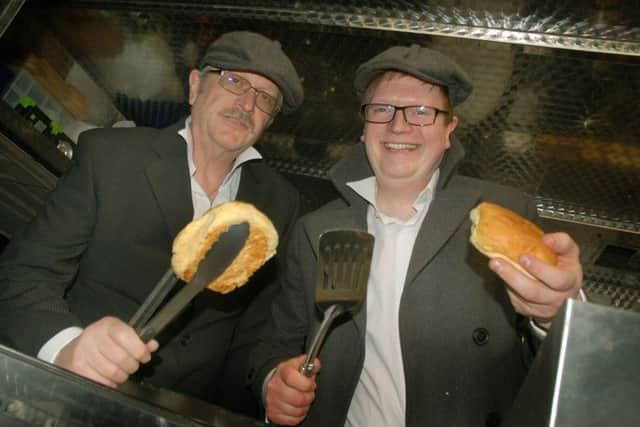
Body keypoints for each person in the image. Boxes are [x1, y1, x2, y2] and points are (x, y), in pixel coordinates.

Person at [248, 44, 584, 426]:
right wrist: (273, 381)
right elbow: (273, 346)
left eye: (422, 112)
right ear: (364, 128)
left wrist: (557, 315)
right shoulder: (316, 231)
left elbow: (561, 369)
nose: (399, 125)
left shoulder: (504, 217)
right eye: (382, 110)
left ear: (448, 130)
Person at [0, 31, 303, 417]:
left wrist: (264, 383)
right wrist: (67, 346)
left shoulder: (279, 203)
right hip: (68, 401)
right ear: (195, 86)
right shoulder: (111, 157)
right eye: (234, 81)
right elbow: (21, 275)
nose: (247, 103)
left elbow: (252, 331)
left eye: (265, 99)